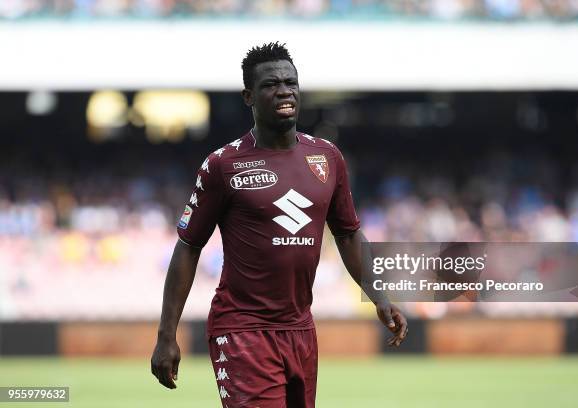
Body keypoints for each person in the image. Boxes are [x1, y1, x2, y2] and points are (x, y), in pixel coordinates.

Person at [151, 42, 408, 407]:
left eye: (291, 82)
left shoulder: (327, 157)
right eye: (271, 84)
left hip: (301, 330)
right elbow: (188, 247)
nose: (285, 90)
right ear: (249, 97)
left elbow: (348, 234)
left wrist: (379, 297)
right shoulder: (223, 165)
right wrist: (166, 334)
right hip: (242, 329)